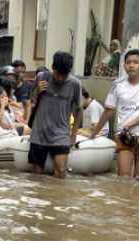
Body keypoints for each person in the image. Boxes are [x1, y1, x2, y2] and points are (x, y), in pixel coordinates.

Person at [89, 49, 139, 181]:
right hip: (124, 137)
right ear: (124, 66)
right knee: (123, 180)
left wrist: (129, 124)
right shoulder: (118, 85)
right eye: (128, 62)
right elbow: (108, 111)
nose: (131, 65)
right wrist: (94, 133)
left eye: (136, 62)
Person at [29, 51, 83, 179]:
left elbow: (79, 109)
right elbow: (31, 98)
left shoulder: (75, 83)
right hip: (39, 133)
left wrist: (74, 134)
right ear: (53, 68)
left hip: (61, 134)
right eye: (58, 74)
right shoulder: (42, 76)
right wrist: (37, 91)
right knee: (36, 174)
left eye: (64, 75)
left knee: (61, 172)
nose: (60, 78)